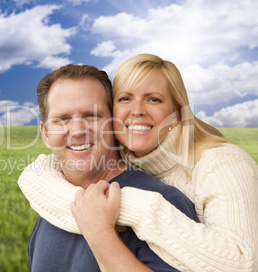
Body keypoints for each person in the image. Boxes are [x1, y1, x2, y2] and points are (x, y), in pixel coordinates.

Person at [18, 54, 258, 271]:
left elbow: (243, 263)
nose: (78, 130)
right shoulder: (52, 204)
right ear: (45, 134)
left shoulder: (193, 183)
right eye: (62, 119)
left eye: (92, 115)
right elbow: (37, 175)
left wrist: (115, 220)